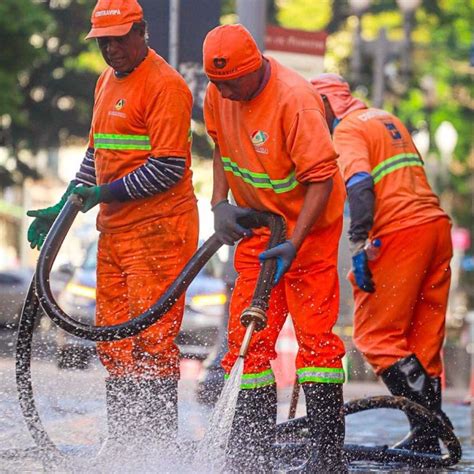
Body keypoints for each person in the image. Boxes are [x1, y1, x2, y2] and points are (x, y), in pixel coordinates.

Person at [26, 0, 198, 452]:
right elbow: (95, 155)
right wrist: (64, 204)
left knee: (151, 342)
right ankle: (125, 447)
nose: (111, 48)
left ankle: (156, 449)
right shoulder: (105, 82)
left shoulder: (166, 86)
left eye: (119, 38)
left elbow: (169, 168)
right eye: (104, 40)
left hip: (159, 232)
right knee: (115, 341)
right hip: (116, 232)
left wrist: (102, 194)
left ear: (141, 32)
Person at [202, 25, 347, 472]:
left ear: (255, 69)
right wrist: (219, 203)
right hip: (258, 231)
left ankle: (326, 458)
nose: (224, 93)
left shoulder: (294, 100)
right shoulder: (218, 92)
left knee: (316, 342)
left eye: (232, 84)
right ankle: (251, 456)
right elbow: (221, 148)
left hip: (308, 231)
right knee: (247, 338)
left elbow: (321, 179)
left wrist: (295, 243)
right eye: (217, 84)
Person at [311, 73, 454, 454]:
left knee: (377, 337)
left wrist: (358, 244)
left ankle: (433, 424)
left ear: (327, 103)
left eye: (314, 109)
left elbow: (359, 183)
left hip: (399, 233)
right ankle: (426, 440)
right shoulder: (388, 120)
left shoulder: (346, 132)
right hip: (435, 228)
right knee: (422, 340)